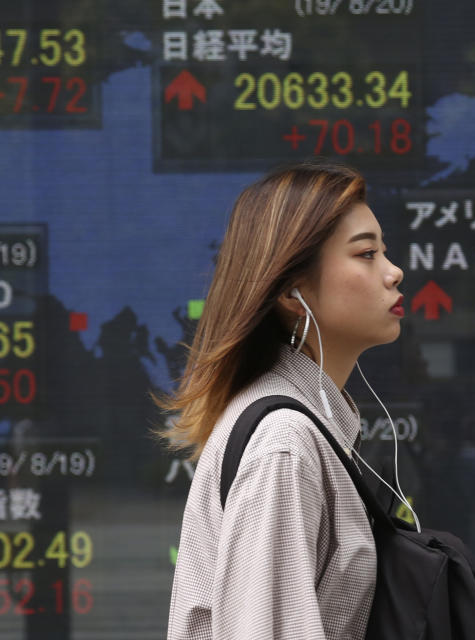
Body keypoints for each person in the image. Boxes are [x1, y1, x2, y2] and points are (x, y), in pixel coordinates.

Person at [160, 161, 405, 639]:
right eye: (367, 254)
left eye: (385, 251)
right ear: (293, 290)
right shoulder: (285, 444)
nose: (394, 272)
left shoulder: (297, 425)